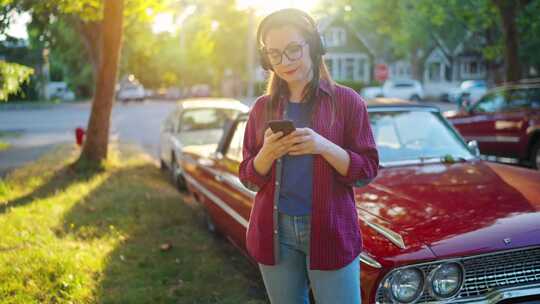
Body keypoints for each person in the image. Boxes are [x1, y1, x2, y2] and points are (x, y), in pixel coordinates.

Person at [239, 8, 379, 304]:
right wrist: (266, 154)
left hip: (330, 231)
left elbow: (366, 171)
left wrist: (324, 146)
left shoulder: (348, 102)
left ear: (314, 47)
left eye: (293, 50)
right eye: (274, 54)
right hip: (274, 233)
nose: (285, 62)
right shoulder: (261, 109)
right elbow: (248, 177)